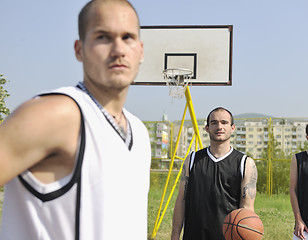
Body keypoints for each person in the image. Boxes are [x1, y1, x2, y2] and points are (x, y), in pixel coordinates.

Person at [0, 0, 151, 239]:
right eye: (103, 37)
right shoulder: (56, 113)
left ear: (140, 50)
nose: (118, 49)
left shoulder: (139, 133)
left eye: (128, 37)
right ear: (79, 49)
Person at [171, 107, 258, 240]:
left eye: (224, 122)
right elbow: (181, 200)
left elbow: (246, 209)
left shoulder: (245, 164)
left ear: (232, 128)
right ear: (207, 128)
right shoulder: (192, 159)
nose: (219, 126)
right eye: (214, 123)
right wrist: (175, 235)